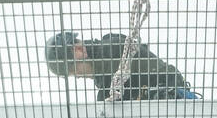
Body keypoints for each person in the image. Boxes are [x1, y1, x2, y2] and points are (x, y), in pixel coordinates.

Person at [45, 30, 195, 101]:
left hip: (173, 93)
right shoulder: (103, 81)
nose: (77, 76)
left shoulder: (111, 49)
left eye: (74, 70)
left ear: (79, 50)